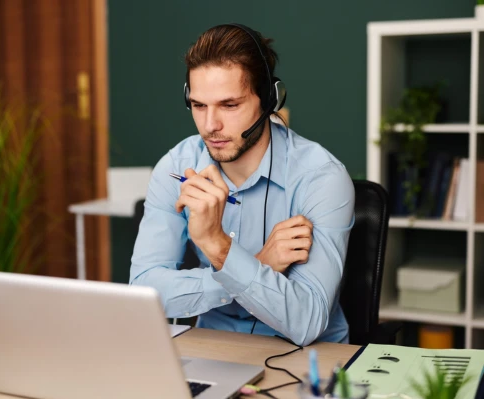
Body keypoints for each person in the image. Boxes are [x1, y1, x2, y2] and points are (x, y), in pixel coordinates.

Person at [130, 23, 355, 346]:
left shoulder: (321, 177)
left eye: (230, 105)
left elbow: (307, 321)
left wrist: (218, 246)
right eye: (198, 105)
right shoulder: (178, 166)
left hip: (307, 360)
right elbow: (143, 291)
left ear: (269, 99)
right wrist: (257, 265)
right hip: (214, 349)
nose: (210, 126)